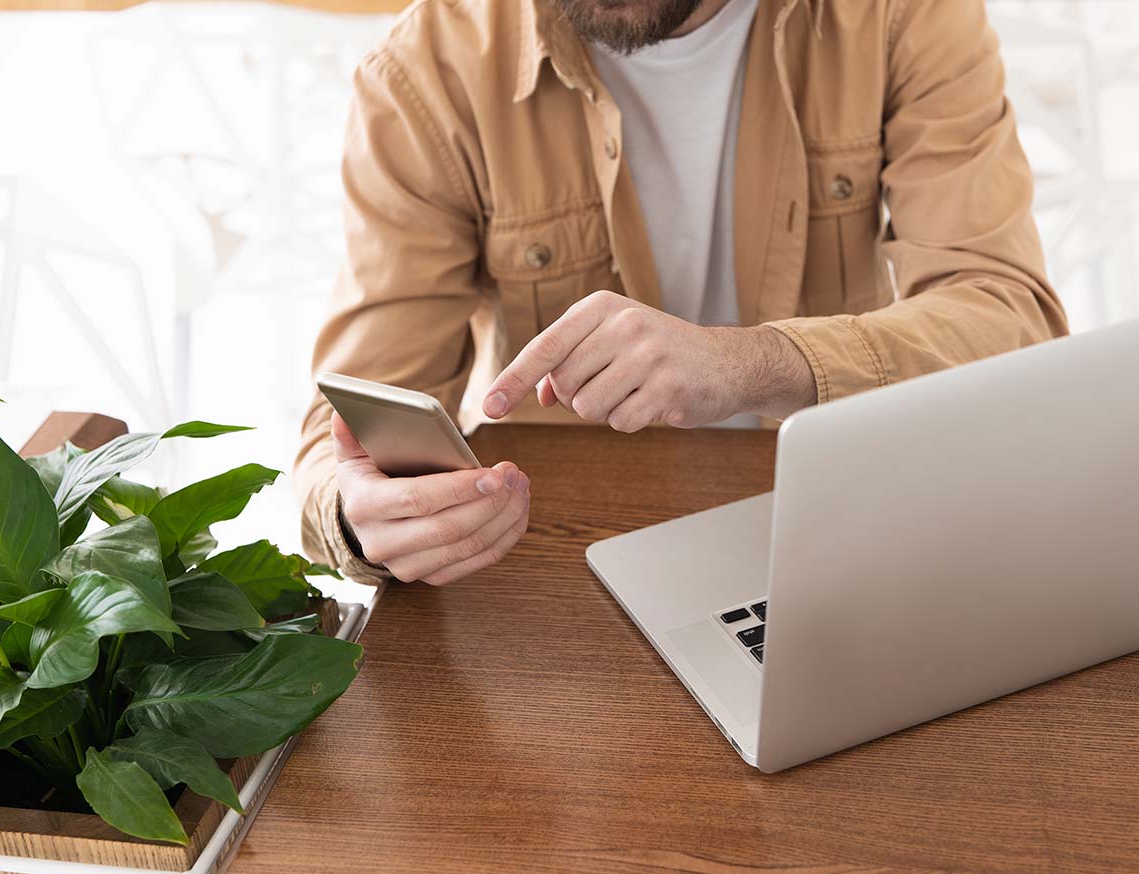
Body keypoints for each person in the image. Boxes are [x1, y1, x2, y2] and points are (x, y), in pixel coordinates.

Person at [295, 0, 1067, 586]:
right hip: (563, 564)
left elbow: (1009, 314)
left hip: (847, 531)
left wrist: (753, 362)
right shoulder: (423, 72)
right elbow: (350, 430)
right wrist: (358, 519)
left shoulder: (898, 15)